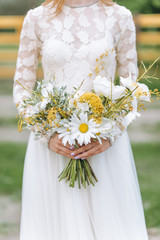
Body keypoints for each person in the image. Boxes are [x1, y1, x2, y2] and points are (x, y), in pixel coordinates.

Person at [13, 0, 149, 239]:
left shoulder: (120, 16)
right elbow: (22, 87)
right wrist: (46, 134)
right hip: (54, 147)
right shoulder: (36, 18)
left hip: (103, 146)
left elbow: (131, 89)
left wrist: (111, 134)